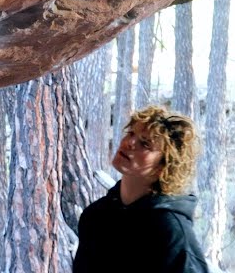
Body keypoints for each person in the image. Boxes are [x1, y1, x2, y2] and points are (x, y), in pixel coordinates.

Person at [73, 105, 210, 273]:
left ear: (164, 167)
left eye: (145, 144)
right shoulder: (96, 216)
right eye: (131, 133)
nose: (129, 142)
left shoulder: (172, 233)